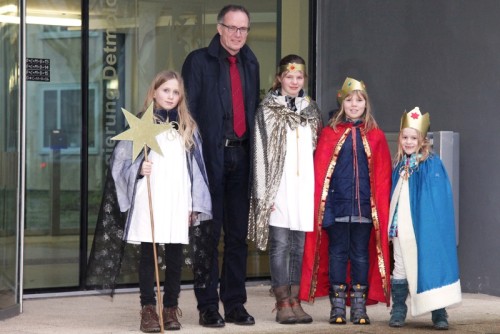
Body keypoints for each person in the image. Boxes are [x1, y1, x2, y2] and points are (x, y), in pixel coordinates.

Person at [87, 70, 212, 333]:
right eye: (165, 90)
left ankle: (170, 308)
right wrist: (137, 171)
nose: (170, 96)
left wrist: (195, 204)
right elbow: (119, 165)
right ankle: (147, 309)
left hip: (178, 198)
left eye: (176, 92)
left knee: (176, 254)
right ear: (154, 92)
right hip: (149, 198)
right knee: (149, 254)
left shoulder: (187, 128)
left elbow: (197, 171)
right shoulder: (140, 127)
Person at [181, 4, 260, 328]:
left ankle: (235, 303)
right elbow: (188, 116)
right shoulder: (198, 61)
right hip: (209, 159)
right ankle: (207, 305)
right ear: (219, 28)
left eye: (243, 29)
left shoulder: (251, 62)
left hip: (241, 157)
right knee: (208, 237)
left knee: (238, 237)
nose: (238, 34)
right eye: (232, 28)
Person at [299, 77, 392, 325]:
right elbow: (320, 175)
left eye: (359, 101)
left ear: (365, 104)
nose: (354, 105)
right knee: (337, 254)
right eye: (350, 100)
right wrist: (324, 208)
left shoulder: (376, 135)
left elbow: (382, 177)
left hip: (363, 208)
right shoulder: (329, 133)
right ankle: (337, 306)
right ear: (342, 103)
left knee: (361, 254)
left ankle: (359, 307)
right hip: (336, 207)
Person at [248, 55, 322, 324]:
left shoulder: (311, 110)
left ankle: (295, 300)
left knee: (299, 245)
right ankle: (281, 302)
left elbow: (318, 151)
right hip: (278, 187)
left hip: (304, 186)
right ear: (279, 78)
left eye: (299, 77)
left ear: (304, 80)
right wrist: (262, 193)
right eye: (289, 76)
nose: (294, 81)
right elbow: (258, 152)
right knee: (280, 244)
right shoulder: (267, 110)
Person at [388, 107, 461, 330]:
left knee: (430, 263)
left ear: (422, 140)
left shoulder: (432, 164)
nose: (409, 142)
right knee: (399, 267)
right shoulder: (399, 165)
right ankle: (398, 309)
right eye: (405, 137)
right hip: (401, 227)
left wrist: (430, 224)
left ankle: (439, 311)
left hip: (425, 228)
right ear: (400, 138)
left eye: (414, 138)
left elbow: (438, 199)